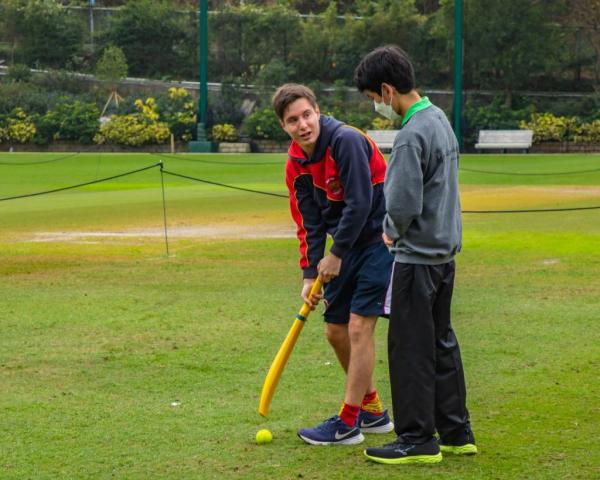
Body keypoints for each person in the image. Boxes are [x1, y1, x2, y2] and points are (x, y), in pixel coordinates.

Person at [354, 45, 477, 464]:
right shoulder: (439, 118)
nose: (376, 105)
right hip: (444, 257)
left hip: (417, 260)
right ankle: (456, 431)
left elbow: (403, 204)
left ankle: (416, 438)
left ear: (387, 90)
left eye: (374, 97)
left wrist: (389, 231)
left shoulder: (410, 134)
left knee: (409, 349)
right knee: (441, 343)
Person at [272, 83, 394, 445]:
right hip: (344, 248)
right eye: (293, 120)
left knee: (358, 327)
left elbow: (360, 202)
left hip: (377, 242)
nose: (302, 125)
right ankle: (373, 412)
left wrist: (335, 254)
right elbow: (308, 223)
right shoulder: (295, 164)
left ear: (318, 111)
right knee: (335, 332)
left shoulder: (346, 141)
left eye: (307, 115)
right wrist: (309, 274)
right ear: (283, 126)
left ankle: (348, 423)